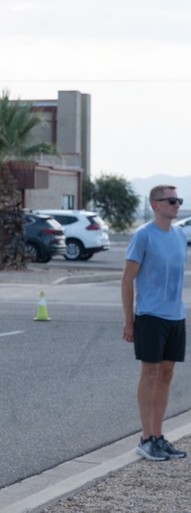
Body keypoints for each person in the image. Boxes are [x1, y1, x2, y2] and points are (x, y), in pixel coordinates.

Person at [122, 184, 188, 461]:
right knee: (149, 374)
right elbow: (127, 280)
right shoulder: (143, 235)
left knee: (167, 373)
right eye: (171, 201)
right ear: (155, 204)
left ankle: (159, 437)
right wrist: (129, 321)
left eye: (178, 200)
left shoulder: (180, 235)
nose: (176, 204)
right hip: (150, 316)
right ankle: (146, 438)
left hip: (176, 315)